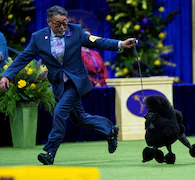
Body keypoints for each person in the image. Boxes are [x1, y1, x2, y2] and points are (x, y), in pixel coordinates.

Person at [0, 5, 137, 165]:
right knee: (80, 119)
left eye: (65, 22)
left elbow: (98, 42)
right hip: (59, 85)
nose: (63, 27)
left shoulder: (76, 31)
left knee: (59, 112)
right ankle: (109, 129)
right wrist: (6, 76)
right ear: (49, 22)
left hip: (76, 83)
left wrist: (120, 44)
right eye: (58, 24)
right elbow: (23, 58)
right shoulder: (38, 38)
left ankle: (49, 152)